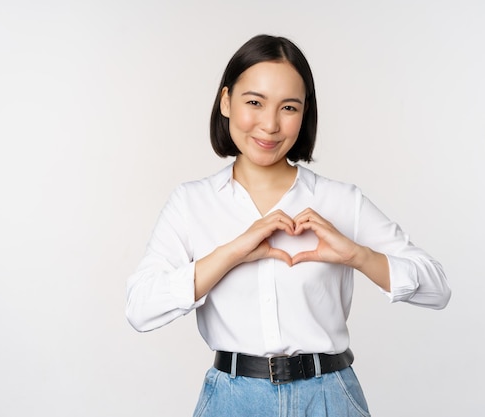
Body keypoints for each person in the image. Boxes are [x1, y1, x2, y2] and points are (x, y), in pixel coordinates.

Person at [126, 34, 451, 417]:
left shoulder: (340, 201)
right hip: (232, 401)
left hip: (329, 398)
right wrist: (230, 253)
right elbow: (140, 309)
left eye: (289, 108)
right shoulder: (191, 202)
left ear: (304, 113)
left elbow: (437, 289)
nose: (269, 124)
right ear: (226, 101)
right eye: (254, 103)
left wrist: (360, 256)